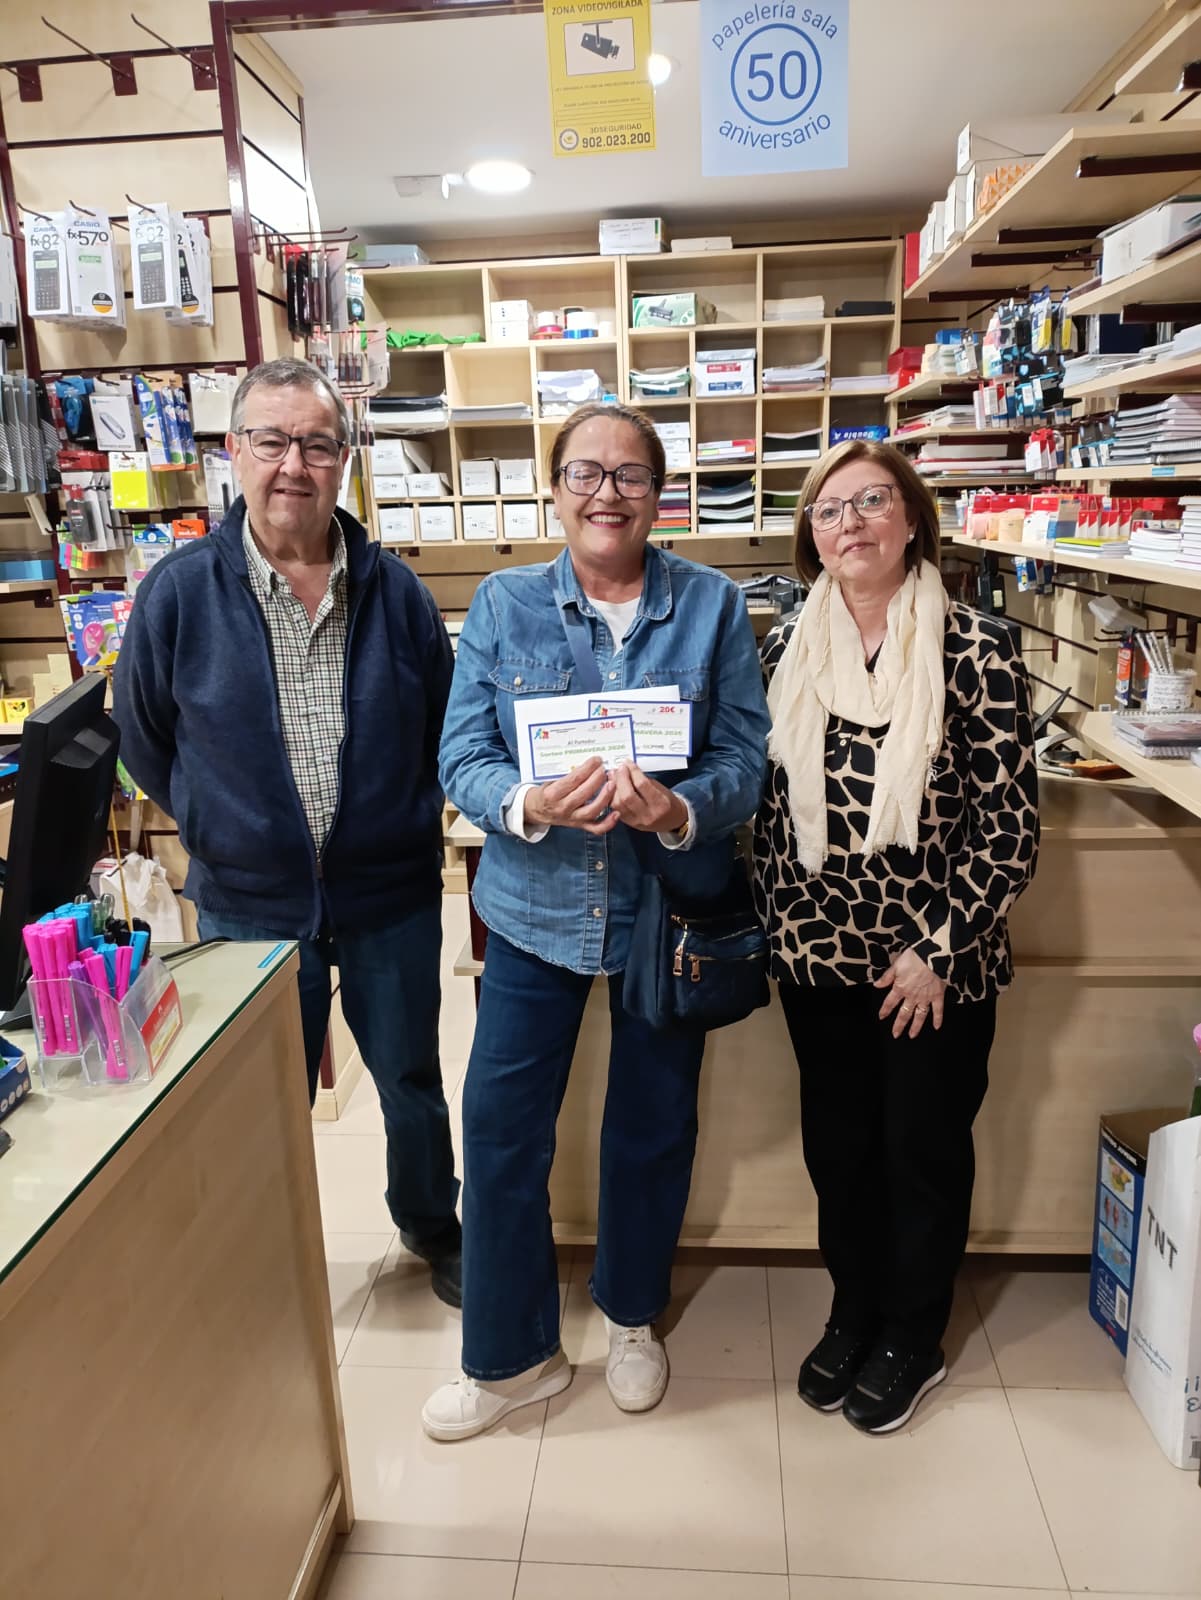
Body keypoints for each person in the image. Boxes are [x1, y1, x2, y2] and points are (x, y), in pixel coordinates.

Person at [422, 402, 770, 1441]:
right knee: (499, 1131)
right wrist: (526, 801)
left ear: (659, 495)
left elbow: (745, 757)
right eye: (584, 472)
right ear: (555, 488)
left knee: (651, 1126)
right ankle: (509, 1357)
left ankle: (629, 1317)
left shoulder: (712, 604)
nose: (605, 493)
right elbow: (462, 753)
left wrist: (680, 808)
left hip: (664, 914)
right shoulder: (503, 602)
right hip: (531, 910)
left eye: (629, 475)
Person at [113, 357, 463, 1307]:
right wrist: (217, 823)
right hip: (248, 902)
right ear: (235, 450)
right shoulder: (178, 593)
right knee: (263, 1099)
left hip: (388, 894)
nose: (292, 466)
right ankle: (266, 1251)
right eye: (271, 441)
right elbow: (143, 735)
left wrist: (404, 819)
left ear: (343, 459)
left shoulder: (395, 592)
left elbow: (443, 727)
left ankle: (433, 1228)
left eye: (315, 444)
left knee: (410, 1079)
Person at [753, 440, 1038, 1434]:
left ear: (911, 518)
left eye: (873, 501)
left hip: (933, 967)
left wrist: (939, 951)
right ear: (812, 534)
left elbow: (1008, 828)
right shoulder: (785, 647)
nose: (851, 523)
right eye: (829, 509)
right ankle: (854, 1311)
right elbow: (767, 807)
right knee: (840, 1151)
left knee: (920, 1150)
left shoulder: (976, 649)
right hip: (816, 958)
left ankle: (913, 1333)